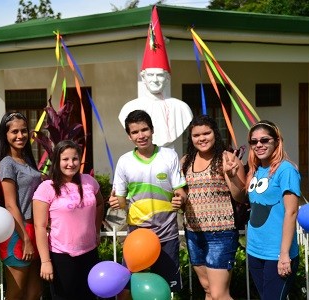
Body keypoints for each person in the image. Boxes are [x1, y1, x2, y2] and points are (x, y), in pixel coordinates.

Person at [109, 109, 187, 298]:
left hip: (166, 235)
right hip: (138, 235)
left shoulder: (169, 156)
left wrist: (180, 199)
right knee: (127, 289)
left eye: (144, 130)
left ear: (152, 130)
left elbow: (181, 192)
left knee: (166, 291)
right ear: (129, 136)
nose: (140, 135)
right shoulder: (124, 161)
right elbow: (119, 200)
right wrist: (114, 201)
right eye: (135, 132)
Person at [180, 115, 246, 300]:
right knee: (208, 290)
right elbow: (183, 195)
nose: (202, 138)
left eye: (206, 133)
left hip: (221, 233)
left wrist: (232, 175)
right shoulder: (185, 162)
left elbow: (240, 196)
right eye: (196, 135)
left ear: (215, 134)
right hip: (194, 233)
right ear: (191, 138)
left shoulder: (227, 158)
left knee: (219, 294)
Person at [32, 140, 104, 299]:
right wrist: (45, 261)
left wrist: (96, 231)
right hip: (61, 257)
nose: (71, 163)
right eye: (65, 159)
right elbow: (40, 227)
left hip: (89, 253)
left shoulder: (89, 181)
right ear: (57, 161)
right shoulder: (46, 188)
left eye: (75, 159)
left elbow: (99, 204)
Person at [118, 6, 192, 147]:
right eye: (151, 75)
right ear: (143, 77)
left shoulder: (181, 108)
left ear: (168, 78)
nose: (155, 79)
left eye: (160, 75)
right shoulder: (128, 108)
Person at [246, 120, 300, 300]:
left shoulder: (286, 170)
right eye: (254, 141)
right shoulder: (256, 170)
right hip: (255, 250)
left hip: (277, 253)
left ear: (276, 141)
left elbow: (291, 212)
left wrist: (284, 254)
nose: (259, 145)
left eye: (264, 140)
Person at [0, 111, 43, 300]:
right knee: (16, 292)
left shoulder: (27, 160)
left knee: (33, 293)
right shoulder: (7, 163)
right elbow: (10, 205)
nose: (20, 136)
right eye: (14, 132)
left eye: (24, 131)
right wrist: (26, 240)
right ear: (5, 135)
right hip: (18, 231)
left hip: (33, 228)